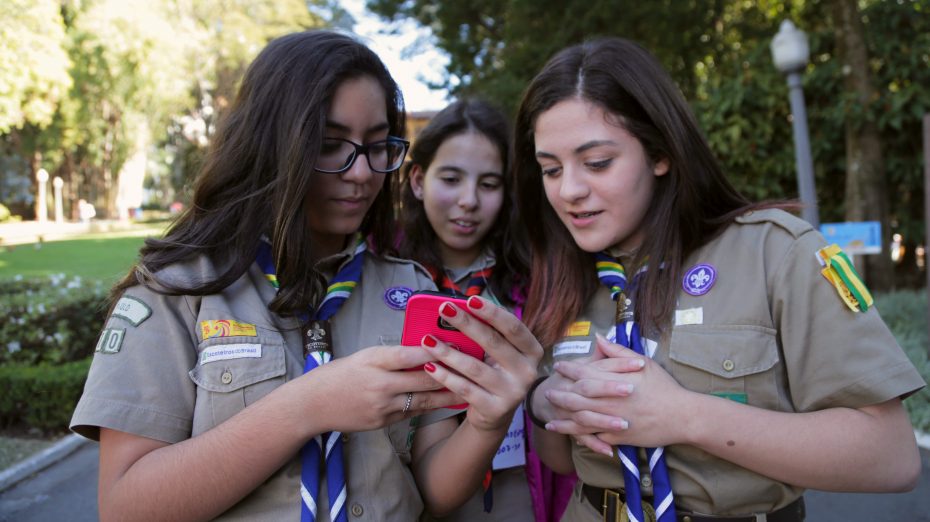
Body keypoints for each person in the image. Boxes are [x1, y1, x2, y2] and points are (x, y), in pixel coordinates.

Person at [70, 30, 542, 521]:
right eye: (329, 144)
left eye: (378, 146)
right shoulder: (179, 291)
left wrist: (488, 422)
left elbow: (434, 491)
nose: (361, 173)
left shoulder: (411, 292)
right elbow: (125, 507)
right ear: (271, 144)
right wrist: (304, 408)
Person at [513, 37, 924, 522]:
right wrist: (545, 403)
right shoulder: (566, 276)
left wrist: (684, 416)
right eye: (550, 169)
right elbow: (565, 460)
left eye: (598, 162)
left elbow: (891, 457)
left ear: (660, 153)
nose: (570, 191)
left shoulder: (776, 253)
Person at [398, 98, 574, 522]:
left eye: (489, 184)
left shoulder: (537, 281)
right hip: (411, 497)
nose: (468, 201)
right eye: (452, 178)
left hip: (519, 492)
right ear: (418, 180)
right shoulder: (385, 279)